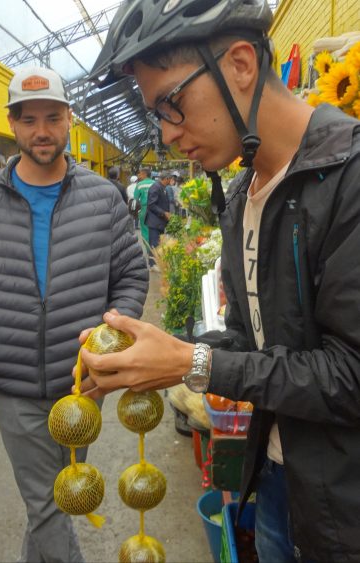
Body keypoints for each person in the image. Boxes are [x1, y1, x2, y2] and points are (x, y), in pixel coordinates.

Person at [80, 1, 360, 562]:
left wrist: (194, 364)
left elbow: (350, 374)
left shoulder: (349, 180)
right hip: (280, 483)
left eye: (171, 104)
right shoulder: (240, 201)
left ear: (239, 64)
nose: (165, 133)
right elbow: (252, 342)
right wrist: (157, 355)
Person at [0, 65, 148, 562]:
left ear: (69, 120)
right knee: (48, 503)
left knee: (59, 497)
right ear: (12, 124)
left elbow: (131, 276)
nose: (40, 131)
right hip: (11, 384)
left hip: (81, 383)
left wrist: (111, 338)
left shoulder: (103, 198)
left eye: (52, 117)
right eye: (28, 119)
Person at [145, 170, 171, 271]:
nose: (170, 181)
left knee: (158, 242)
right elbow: (151, 204)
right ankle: (152, 264)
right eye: (169, 179)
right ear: (166, 179)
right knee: (154, 243)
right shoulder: (156, 187)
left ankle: (156, 263)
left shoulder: (162, 187)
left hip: (159, 221)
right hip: (154, 221)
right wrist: (163, 213)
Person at [133, 167, 154, 251]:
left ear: (145, 174)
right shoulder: (155, 183)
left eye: (140, 173)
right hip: (154, 210)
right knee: (153, 229)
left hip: (144, 210)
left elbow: (135, 198)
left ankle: (148, 250)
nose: (139, 175)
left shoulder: (139, 185)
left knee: (145, 230)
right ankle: (155, 248)